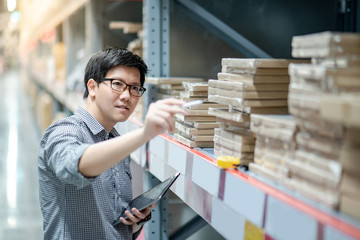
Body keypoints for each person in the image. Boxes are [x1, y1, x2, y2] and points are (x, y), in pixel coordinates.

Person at [38, 46, 185, 239]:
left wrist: (132, 222)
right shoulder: (64, 131)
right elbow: (76, 165)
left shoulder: (115, 141)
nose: (127, 96)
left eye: (134, 88)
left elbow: (111, 221)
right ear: (92, 87)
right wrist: (144, 133)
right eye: (117, 84)